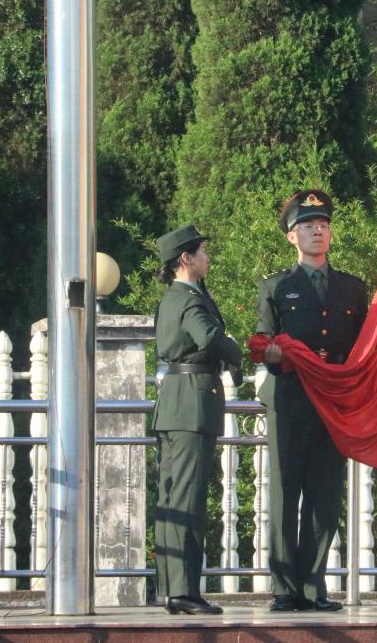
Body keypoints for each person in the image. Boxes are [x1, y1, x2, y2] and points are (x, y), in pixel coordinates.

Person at [255, 191, 369, 612]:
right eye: (307, 226)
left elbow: (364, 345)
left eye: (322, 224)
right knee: (286, 493)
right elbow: (263, 338)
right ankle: (284, 587)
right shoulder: (276, 287)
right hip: (290, 399)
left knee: (325, 494)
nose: (317, 231)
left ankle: (312, 584)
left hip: (333, 402)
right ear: (292, 236)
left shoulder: (352, 288)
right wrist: (272, 354)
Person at [153, 225, 242, 615]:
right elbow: (207, 337)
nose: (207, 257)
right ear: (186, 258)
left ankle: (171, 587)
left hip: (175, 402)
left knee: (172, 498)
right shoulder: (189, 300)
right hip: (192, 403)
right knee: (187, 500)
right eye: (202, 251)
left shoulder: (174, 297)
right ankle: (184, 591)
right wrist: (235, 352)